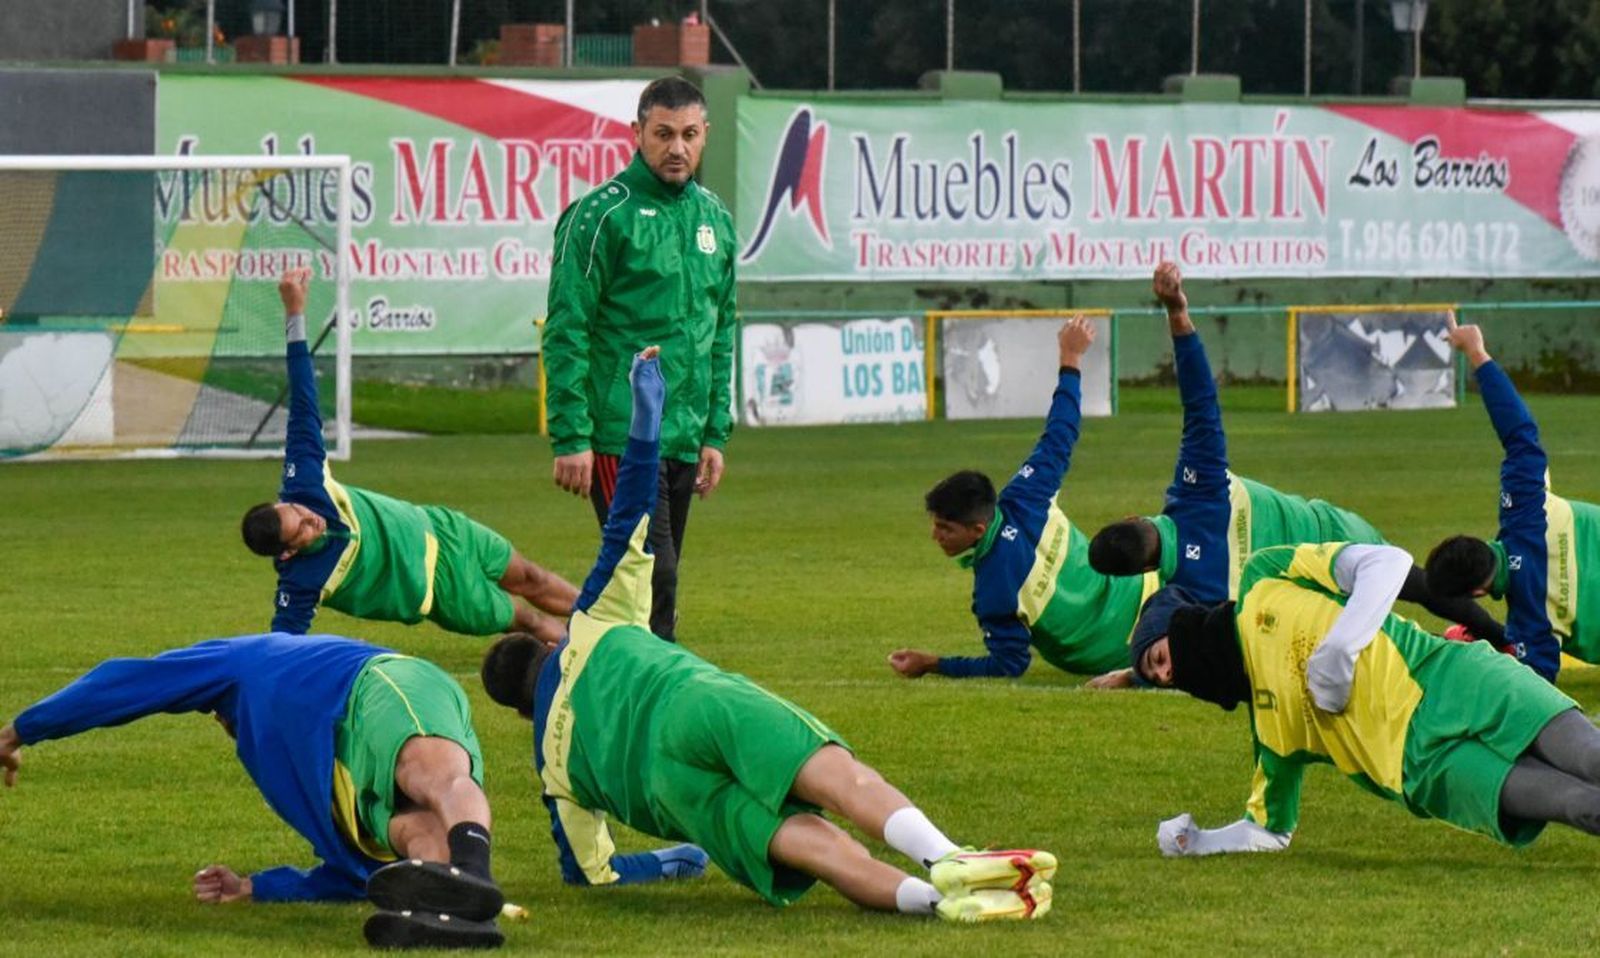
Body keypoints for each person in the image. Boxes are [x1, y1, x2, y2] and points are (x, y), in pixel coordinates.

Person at [483, 346, 1056, 921]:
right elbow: (627, 516)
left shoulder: (552, 769)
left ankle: (935, 904)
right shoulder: (590, 624)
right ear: (548, 646)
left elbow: (588, 872)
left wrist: (674, 859)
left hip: (672, 791)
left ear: (520, 714)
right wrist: (645, 415)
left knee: (810, 843)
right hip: (693, 703)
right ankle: (947, 856)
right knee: (835, 776)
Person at [1085, 262, 1501, 686]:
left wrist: (1130, 676)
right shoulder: (1198, 484)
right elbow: (1199, 401)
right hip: (1336, 529)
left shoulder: (1190, 589)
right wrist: (1177, 312)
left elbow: (1200, 651)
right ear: (1135, 519)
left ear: (1142, 574)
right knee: (1420, 586)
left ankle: (1471, 652)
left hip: (1314, 592)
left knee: (1382, 643)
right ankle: (1504, 640)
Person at [0, 634, 507, 949]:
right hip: (345, 771)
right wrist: (255, 887)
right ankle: (453, 920)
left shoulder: (243, 659)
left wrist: (20, 730)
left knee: (423, 774)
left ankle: (473, 873)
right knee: (404, 836)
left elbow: (127, 682)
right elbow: (354, 876)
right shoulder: (276, 758)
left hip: (372, 690)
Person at [1128, 541, 1600, 858]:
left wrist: (1340, 647)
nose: (1168, 674)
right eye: (1160, 679)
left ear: (1180, 628)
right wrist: (1197, 842)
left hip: (1457, 675)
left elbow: (1387, 563)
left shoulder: (1265, 577)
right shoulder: (1270, 737)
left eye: (1159, 659)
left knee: (1592, 756)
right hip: (1425, 767)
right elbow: (1270, 830)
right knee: (1581, 806)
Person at [242, 268, 575, 644]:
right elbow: (279, 649)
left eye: (296, 512)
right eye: (299, 529)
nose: (310, 519)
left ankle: (614, 624)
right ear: (287, 554)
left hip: (443, 527)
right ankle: (591, 659)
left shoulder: (303, 482)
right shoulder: (302, 581)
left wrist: (294, 315)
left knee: (532, 576)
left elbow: (303, 400)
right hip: (444, 591)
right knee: (527, 620)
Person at [543, 75, 738, 643]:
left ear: (705, 136)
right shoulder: (601, 215)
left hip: (684, 434)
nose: (677, 148)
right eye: (663, 134)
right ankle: (658, 692)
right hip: (619, 435)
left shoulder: (715, 220)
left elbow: (720, 331)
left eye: (689, 134)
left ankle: (593, 666)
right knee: (656, 574)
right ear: (637, 134)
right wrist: (570, 434)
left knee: (644, 577)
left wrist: (714, 433)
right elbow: (567, 328)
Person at [887, 316, 1161, 682]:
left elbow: (1009, 665)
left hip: (1127, 647)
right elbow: (1061, 430)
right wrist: (1070, 357)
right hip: (1152, 582)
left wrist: (931, 663)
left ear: (977, 529)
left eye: (944, 528)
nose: (935, 536)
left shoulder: (995, 588)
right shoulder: (1026, 495)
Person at [1423, 314, 1600, 682]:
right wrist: (1477, 353)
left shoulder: (1530, 623)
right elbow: (1519, 431)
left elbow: (1536, 700)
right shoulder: (1524, 507)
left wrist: (1494, 656)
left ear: (1477, 591)